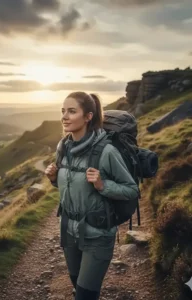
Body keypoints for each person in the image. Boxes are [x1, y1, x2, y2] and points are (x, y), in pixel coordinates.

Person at [45, 91, 139, 300]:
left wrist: (102, 184)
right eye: (63, 111)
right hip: (69, 232)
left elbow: (132, 190)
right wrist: (53, 178)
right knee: (77, 287)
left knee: (86, 295)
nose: (64, 117)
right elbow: (71, 186)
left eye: (71, 111)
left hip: (97, 235)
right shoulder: (63, 147)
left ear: (88, 116)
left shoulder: (106, 152)